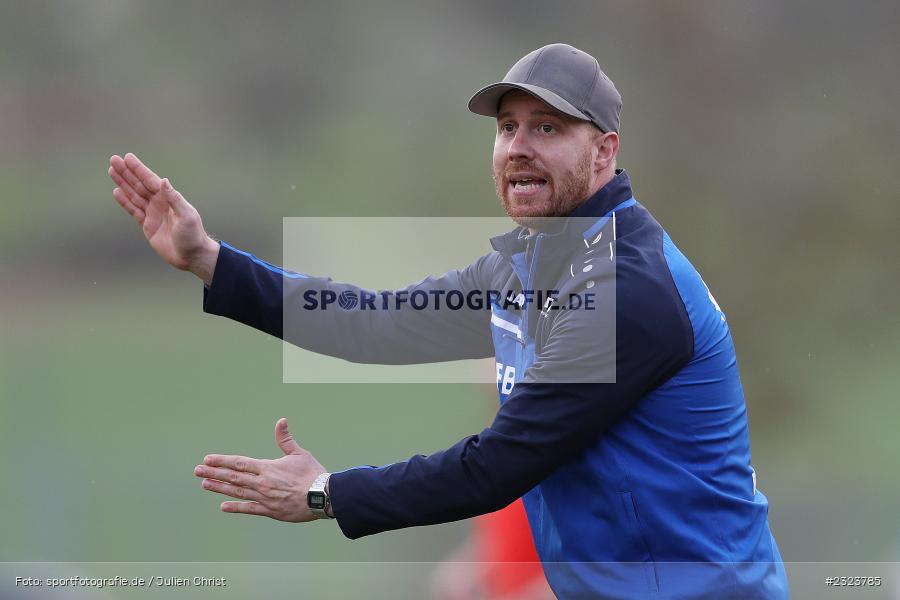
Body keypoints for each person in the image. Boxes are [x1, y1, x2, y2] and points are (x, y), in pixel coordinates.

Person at [109, 43, 789, 599]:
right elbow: (373, 324)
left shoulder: (624, 290)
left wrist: (325, 495)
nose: (518, 146)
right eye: (506, 128)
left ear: (605, 151)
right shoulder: (527, 266)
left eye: (547, 127)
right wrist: (211, 260)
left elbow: (495, 467)